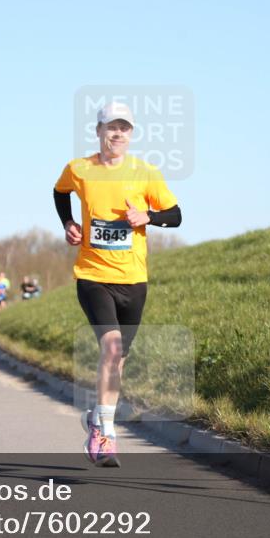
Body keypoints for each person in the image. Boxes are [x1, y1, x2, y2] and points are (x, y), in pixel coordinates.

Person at [53, 101, 182, 467]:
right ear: (98, 131)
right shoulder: (79, 169)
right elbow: (60, 192)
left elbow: (176, 215)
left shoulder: (146, 173)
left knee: (119, 358)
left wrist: (148, 216)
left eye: (124, 128)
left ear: (131, 133)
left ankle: (98, 416)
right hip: (93, 275)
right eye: (111, 127)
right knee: (111, 349)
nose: (118, 133)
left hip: (134, 280)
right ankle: (106, 434)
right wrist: (68, 223)